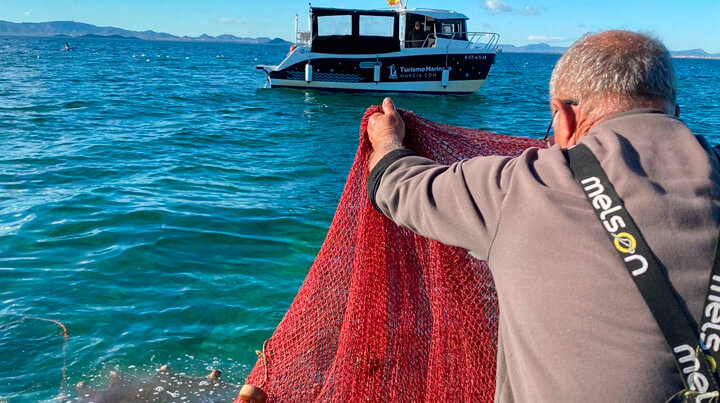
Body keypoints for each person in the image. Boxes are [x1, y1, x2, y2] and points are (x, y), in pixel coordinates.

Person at [366, 30, 720, 401]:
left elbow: (395, 184)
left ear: (564, 118)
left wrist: (388, 140)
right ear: (675, 113)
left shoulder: (520, 188)